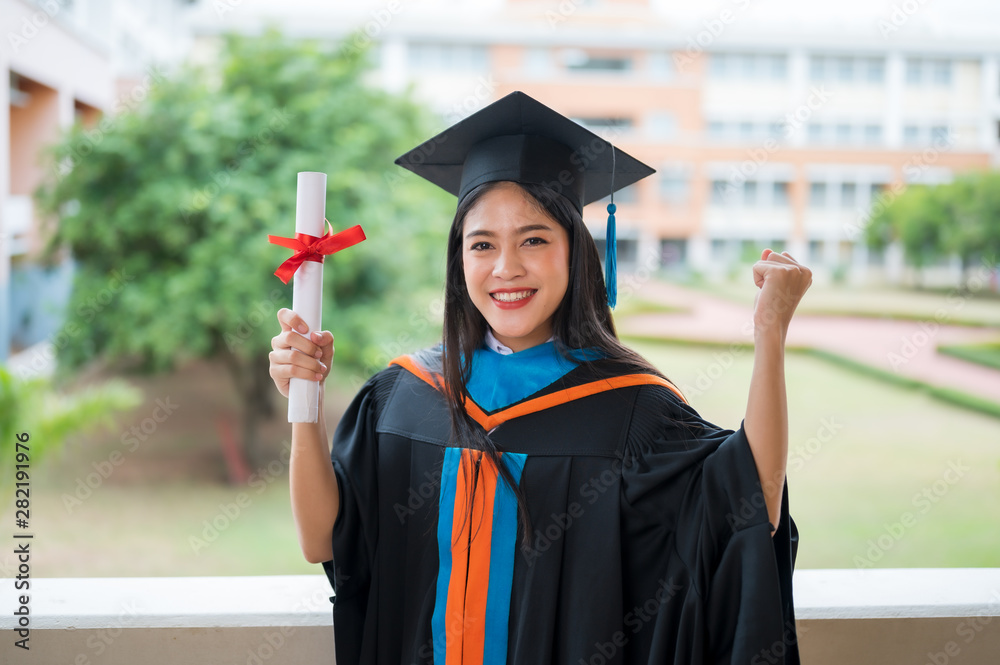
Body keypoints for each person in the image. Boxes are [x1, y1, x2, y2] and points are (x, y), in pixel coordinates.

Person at [268, 91, 810, 664]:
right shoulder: (402, 397)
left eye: (534, 239)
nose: (507, 268)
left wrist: (770, 330)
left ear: (575, 252)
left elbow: (753, 504)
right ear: (459, 261)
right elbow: (320, 540)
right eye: (482, 244)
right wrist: (307, 405)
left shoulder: (627, 411)